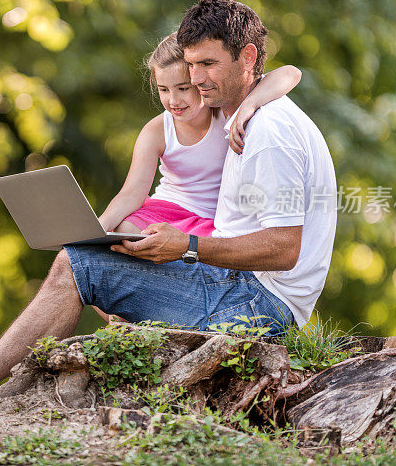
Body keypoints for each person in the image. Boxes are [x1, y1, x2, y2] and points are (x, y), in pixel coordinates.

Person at [0, 0, 337, 416]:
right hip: (239, 285)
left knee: (79, 265)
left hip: (257, 307)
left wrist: (189, 246)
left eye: (209, 65)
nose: (196, 80)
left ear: (248, 57)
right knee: (93, 252)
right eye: (191, 66)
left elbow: (283, 248)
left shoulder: (269, 133)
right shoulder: (246, 114)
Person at [93, 33, 300, 323]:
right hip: (168, 211)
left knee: (207, 266)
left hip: (214, 223)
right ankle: (128, 329)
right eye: (164, 89)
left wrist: (251, 104)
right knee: (123, 237)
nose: (173, 100)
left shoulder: (224, 113)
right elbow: (131, 194)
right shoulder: (157, 131)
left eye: (183, 88)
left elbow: (291, 73)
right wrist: (96, 230)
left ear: (200, 82)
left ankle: (167, 319)